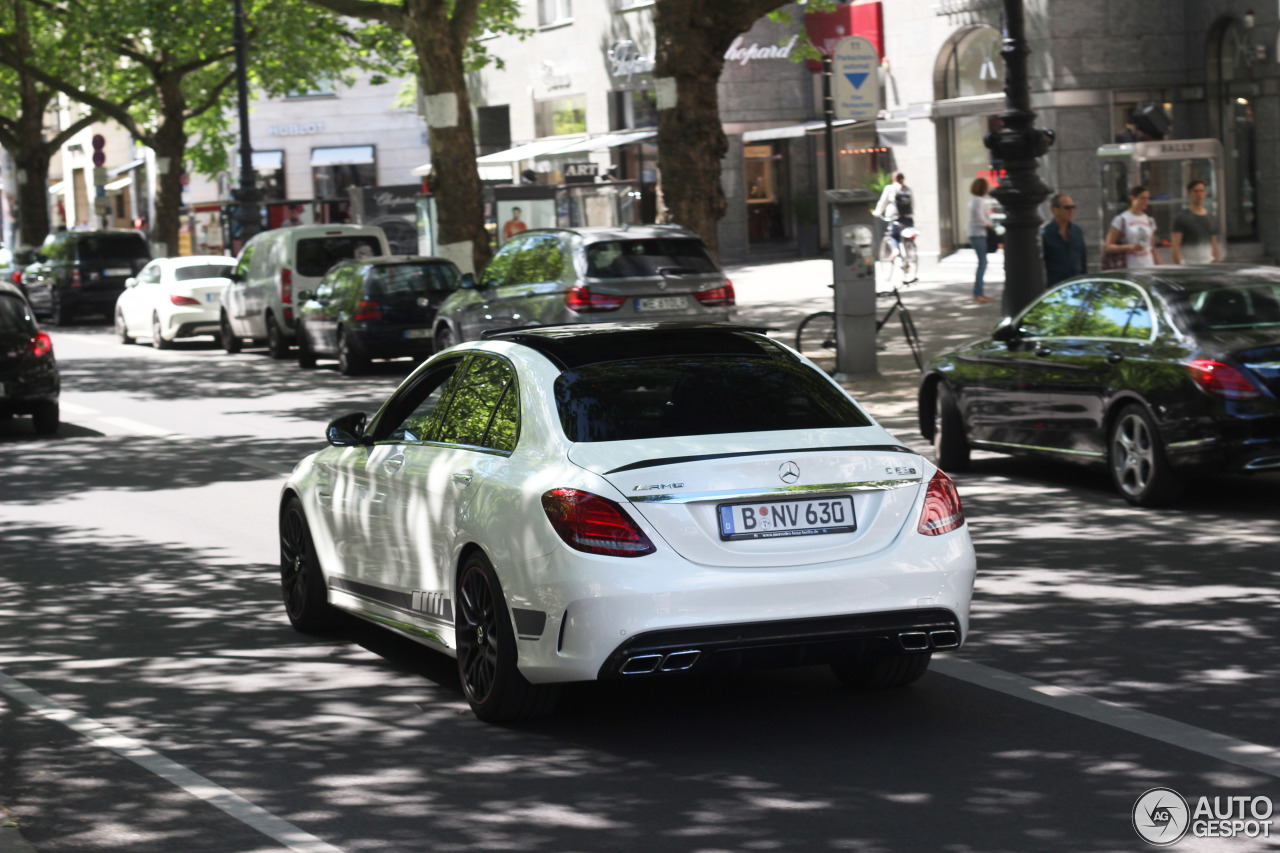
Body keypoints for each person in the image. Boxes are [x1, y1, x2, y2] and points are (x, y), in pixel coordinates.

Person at [1105, 185, 1159, 268]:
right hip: (1129, 266)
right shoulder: (1121, 219)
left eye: (1148, 198)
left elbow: (1152, 247)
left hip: (1148, 264)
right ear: (1133, 198)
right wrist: (1131, 247)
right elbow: (1108, 247)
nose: (1146, 201)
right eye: (1142, 198)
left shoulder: (1149, 220)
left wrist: (1159, 265)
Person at [1041, 193, 1087, 285]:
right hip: (1055, 285)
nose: (1071, 211)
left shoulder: (1077, 231)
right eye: (1067, 208)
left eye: (1073, 207)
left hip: (1077, 283)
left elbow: (1082, 259)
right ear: (1055, 210)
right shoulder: (1046, 234)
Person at [1171, 179, 1220, 264]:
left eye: (1201, 191)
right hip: (1189, 265)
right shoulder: (1182, 217)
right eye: (1195, 191)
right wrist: (1180, 267)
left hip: (1208, 264)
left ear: (1205, 194)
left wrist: (1216, 263)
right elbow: (1175, 246)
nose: (1199, 194)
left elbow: (1214, 244)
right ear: (1189, 194)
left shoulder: (1210, 217)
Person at [873, 171, 914, 257]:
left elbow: (882, 202)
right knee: (907, 237)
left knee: (893, 236)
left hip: (895, 218)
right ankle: (909, 253)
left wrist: (877, 212)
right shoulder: (908, 189)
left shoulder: (890, 188)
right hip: (908, 219)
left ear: (893, 179)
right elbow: (913, 204)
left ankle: (895, 250)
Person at [967, 177, 994, 303]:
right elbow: (980, 218)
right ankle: (978, 292)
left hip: (976, 233)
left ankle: (979, 292)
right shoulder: (978, 201)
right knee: (982, 263)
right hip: (978, 233)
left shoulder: (975, 200)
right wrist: (989, 225)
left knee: (982, 262)